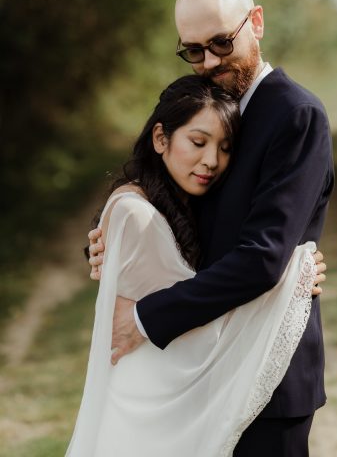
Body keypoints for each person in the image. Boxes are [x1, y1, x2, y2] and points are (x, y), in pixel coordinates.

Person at [88, 0, 333, 456]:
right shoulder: (205, 108)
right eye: (193, 50)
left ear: (256, 22)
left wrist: (143, 318)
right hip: (195, 367)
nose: (210, 61)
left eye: (222, 42)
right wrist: (105, 242)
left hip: (266, 374)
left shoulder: (296, 115)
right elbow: (155, 192)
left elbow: (263, 257)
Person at [67, 74, 321, 457]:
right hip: (153, 404)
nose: (212, 161)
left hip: (164, 396)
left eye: (225, 148)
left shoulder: (173, 201)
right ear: (160, 138)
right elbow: (204, 333)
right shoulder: (137, 212)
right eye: (198, 142)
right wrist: (292, 278)